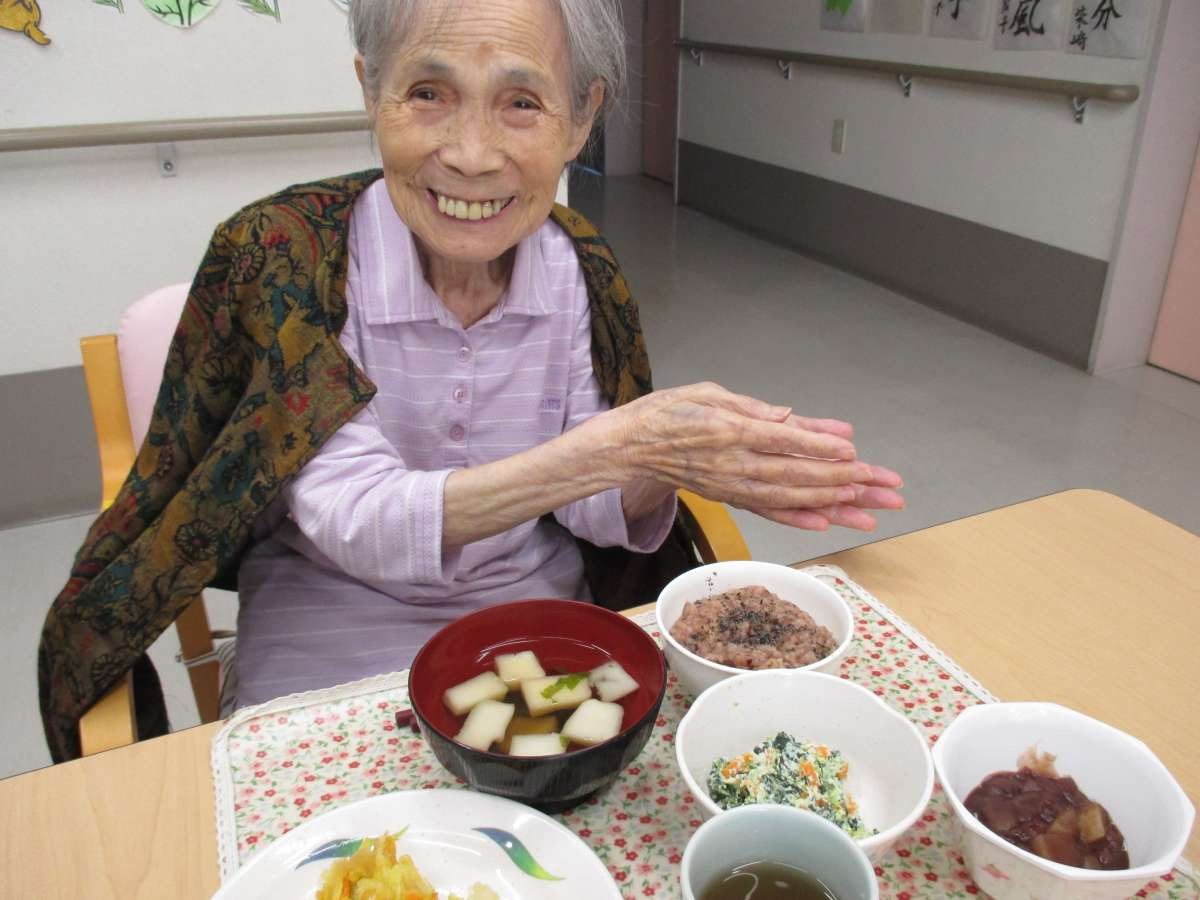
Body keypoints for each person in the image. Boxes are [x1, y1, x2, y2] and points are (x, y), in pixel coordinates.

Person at [38, 0, 902, 760]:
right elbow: (352, 516)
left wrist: (662, 464)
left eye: (522, 102)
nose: (473, 155)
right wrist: (620, 445)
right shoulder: (288, 260)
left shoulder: (575, 267)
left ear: (581, 118)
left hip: (532, 615)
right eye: (428, 93)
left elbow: (591, 509)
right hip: (328, 621)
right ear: (370, 90)